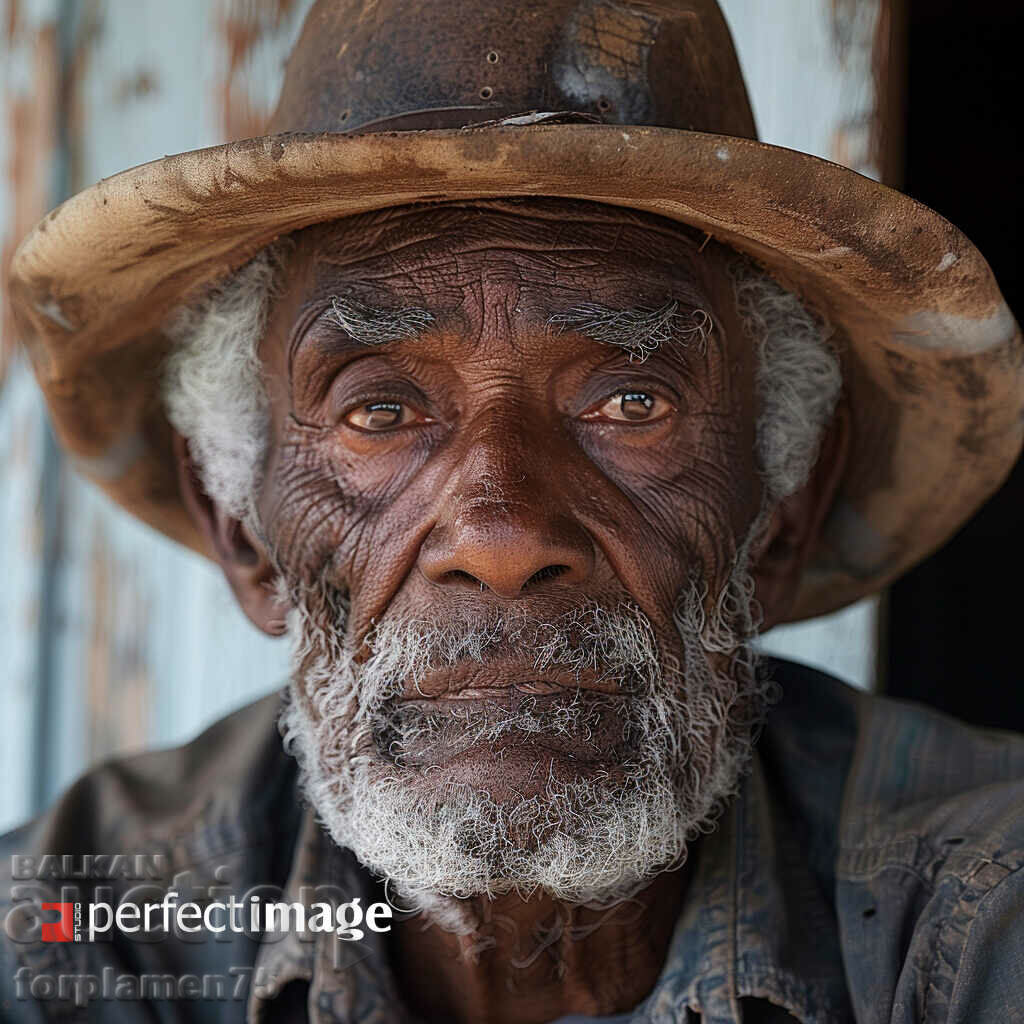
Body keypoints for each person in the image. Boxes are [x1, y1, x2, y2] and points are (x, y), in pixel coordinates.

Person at [4, 1, 1023, 1021]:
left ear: (780, 513)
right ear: (242, 529)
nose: (500, 537)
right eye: (380, 408)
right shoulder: (90, 931)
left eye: (632, 402)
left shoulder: (974, 911)